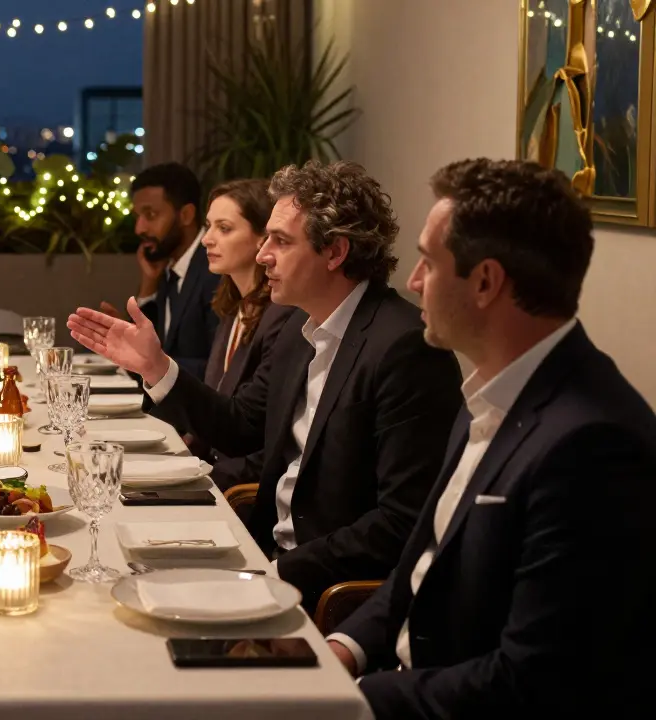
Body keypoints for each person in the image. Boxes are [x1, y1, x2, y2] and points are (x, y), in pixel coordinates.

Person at [327, 159, 656, 717]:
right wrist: (342, 648)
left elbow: (532, 680)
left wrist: (353, 700)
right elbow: (419, 572)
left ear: (485, 283)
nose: (412, 281)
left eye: (428, 262)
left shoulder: (593, 446)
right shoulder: (488, 390)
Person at [69, 161, 463, 609]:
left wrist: (272, 574)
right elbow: (240, 426)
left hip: (323, 588)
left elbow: (401, 522)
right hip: (263, 553)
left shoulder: (403, 347)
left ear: (334, 252)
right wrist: (156, 367)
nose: (262, 255)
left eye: (281, 241)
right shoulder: (303, 325)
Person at [187, 178, 297, 491]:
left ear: (264, 238)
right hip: (214, 471)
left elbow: (262, 438)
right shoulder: (234, 309)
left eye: (224, 228)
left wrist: (203, 483)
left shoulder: (282, 315)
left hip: (240, 490)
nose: (207, 239)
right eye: (208, 226)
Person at [102, 162, 219, 377]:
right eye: (138, 216)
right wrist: (149, 284)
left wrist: (146, 362)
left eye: (151, 215)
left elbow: (219, 370)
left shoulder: (215, 269)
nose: (140, 228)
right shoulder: (170, 266)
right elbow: (156, 347)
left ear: (186, 215)